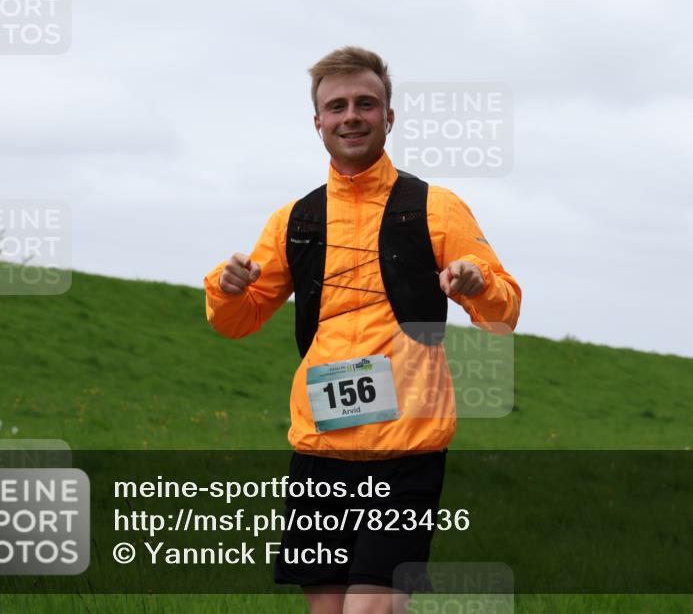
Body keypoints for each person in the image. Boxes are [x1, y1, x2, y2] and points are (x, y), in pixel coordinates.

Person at [203, 46, 521, 614]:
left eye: (366, 103)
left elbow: (504, 313)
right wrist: (225, 289)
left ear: (389, 117)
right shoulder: (293, 221)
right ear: (318, 122)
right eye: (338, 105)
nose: (352, 115)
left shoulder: (435, 208)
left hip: (405, 451)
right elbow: (239, 321)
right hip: (320, 449)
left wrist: (476, 285)